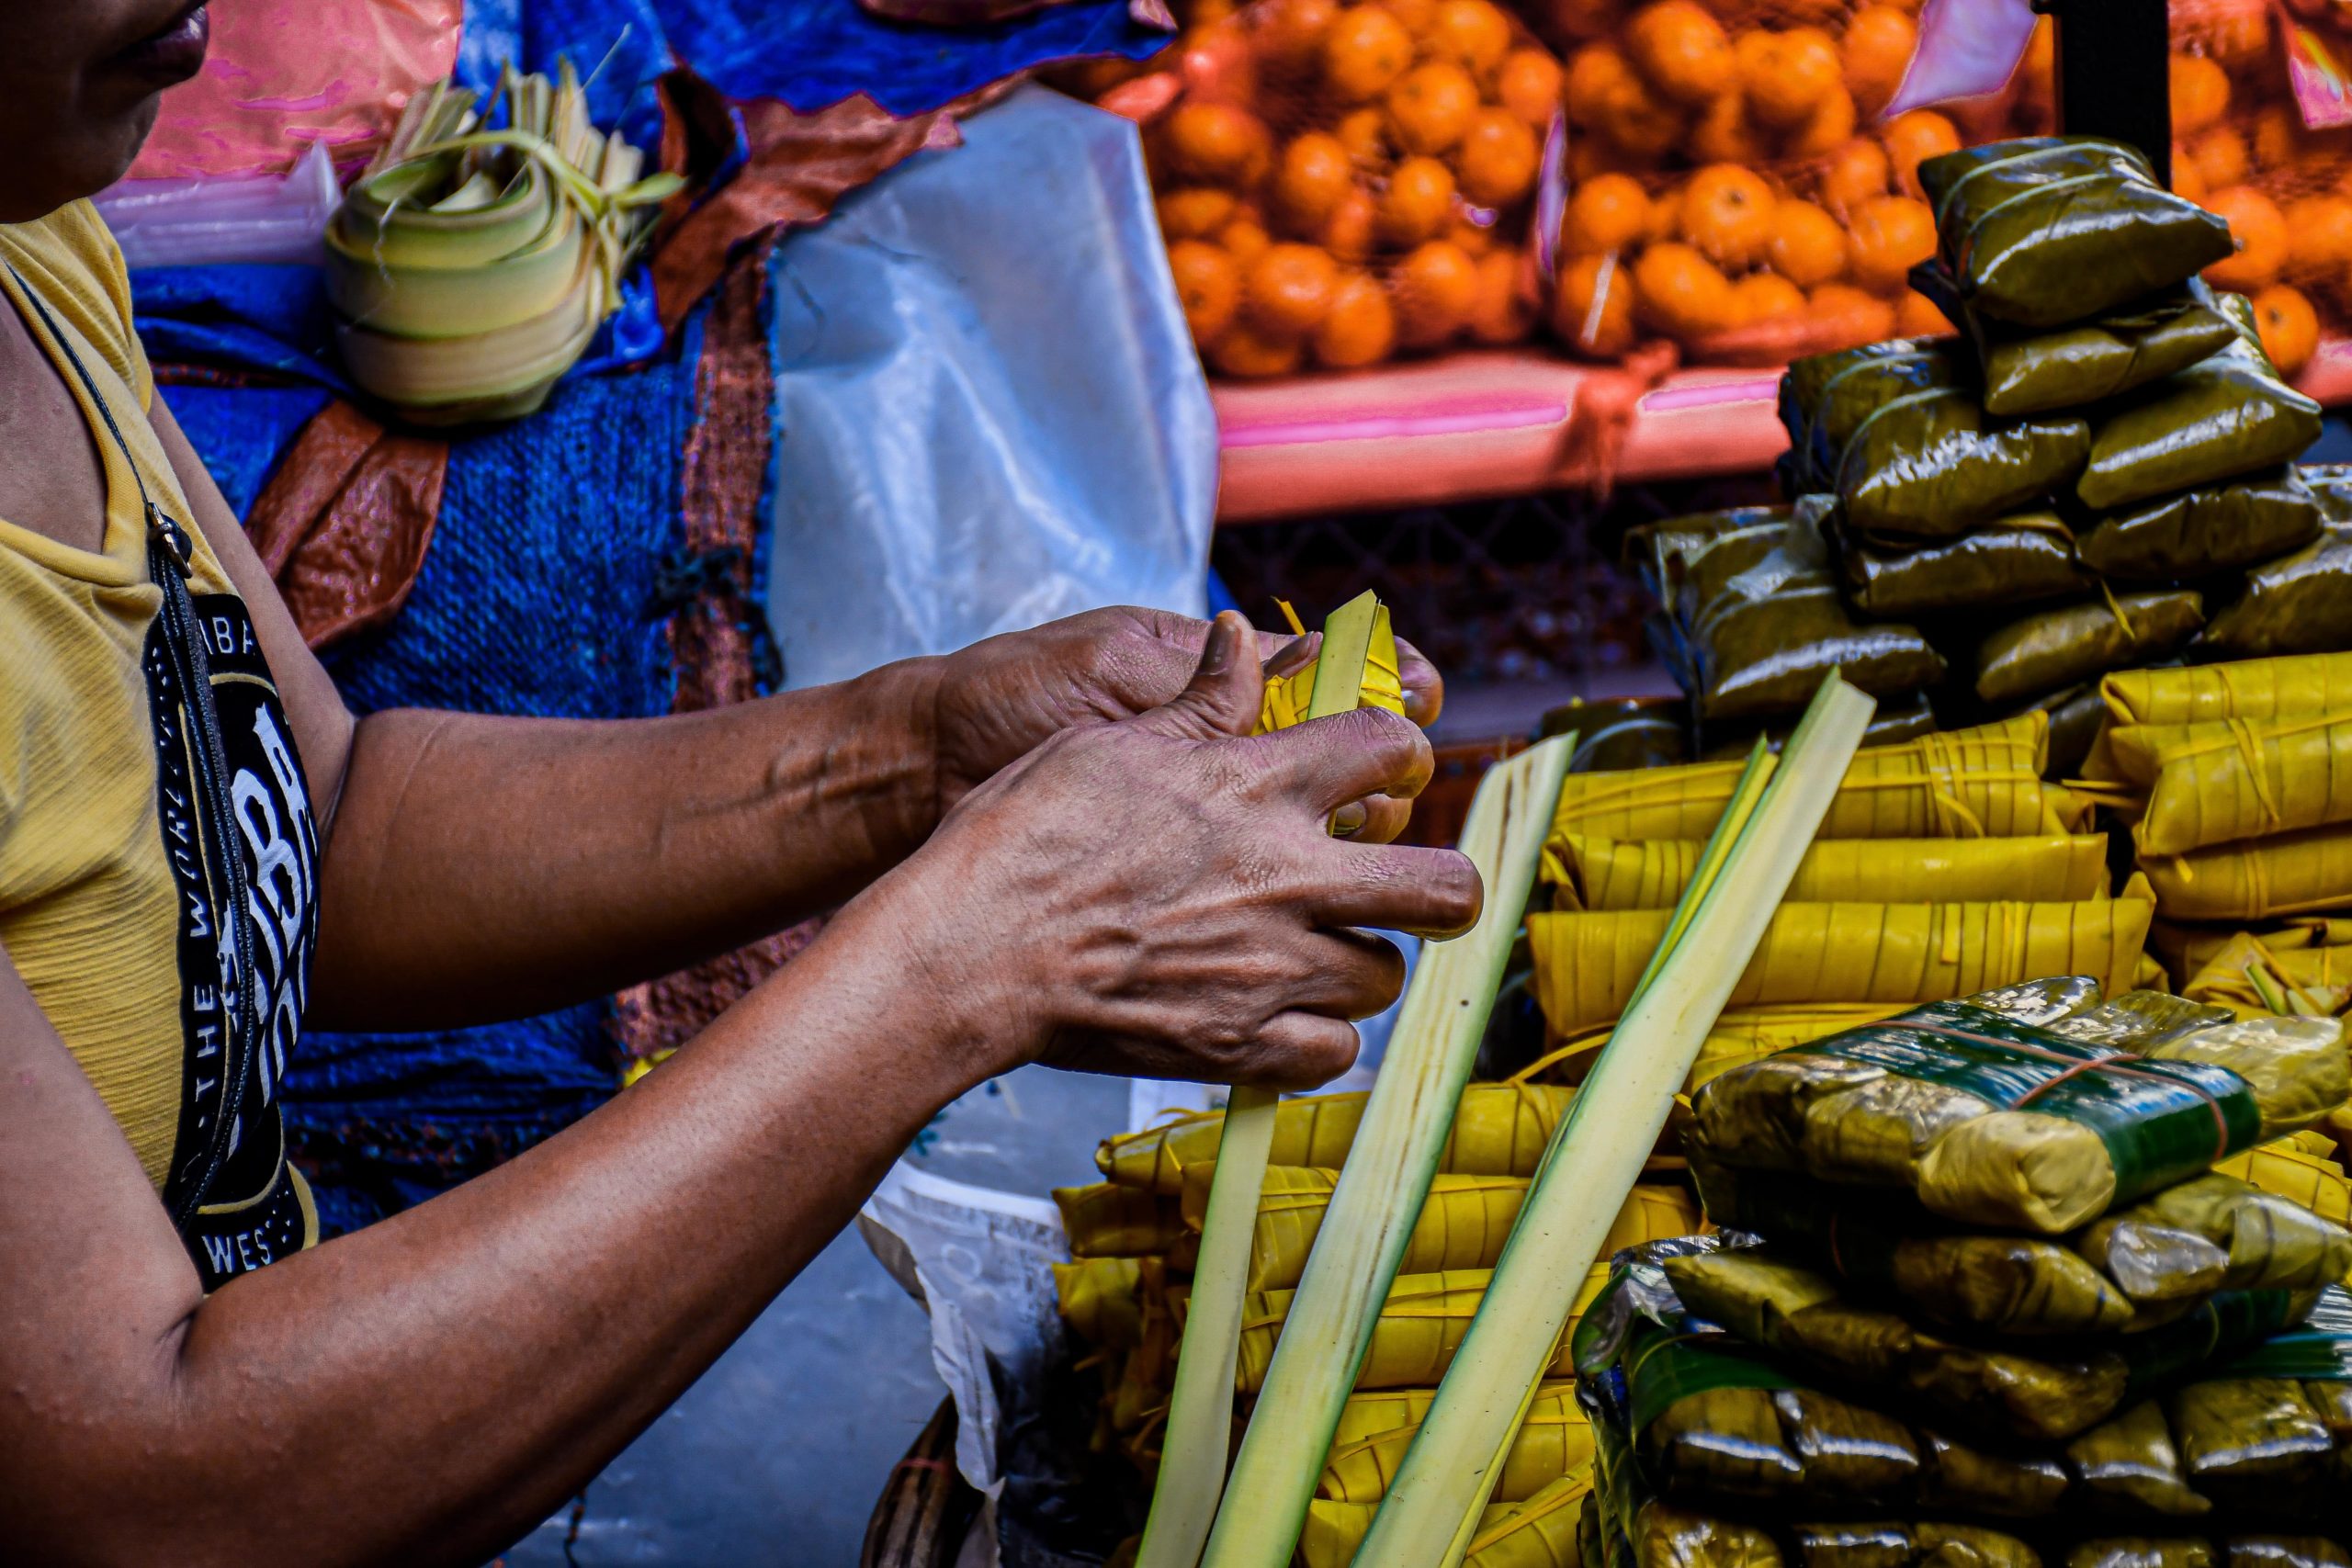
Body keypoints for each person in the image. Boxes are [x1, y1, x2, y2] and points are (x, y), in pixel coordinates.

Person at [0, 4, 1482, 1563]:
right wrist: (972, 957)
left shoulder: (35, 259)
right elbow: (158, 1488)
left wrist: (920, 745)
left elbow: (324, 815)